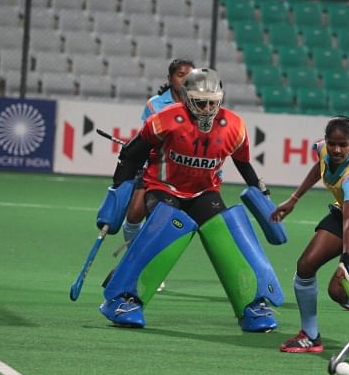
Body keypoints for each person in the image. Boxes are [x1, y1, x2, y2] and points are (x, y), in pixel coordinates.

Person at [95, 68, 283, 332]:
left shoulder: (235, 127)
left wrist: (260, 190)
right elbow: (132, 155)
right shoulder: (164, 120)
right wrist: (118, 191)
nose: (207, 109)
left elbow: (243, 163)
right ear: (186, 98)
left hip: (204, 192)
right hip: (163, 187)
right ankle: (124, 300)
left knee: (227, 230)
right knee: (167, 228)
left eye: (212, 103)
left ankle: (253, 304)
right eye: (200, 102)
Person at [271, 116, 349, 354]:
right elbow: (320, 166)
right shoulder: (324, 149)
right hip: (346, 216)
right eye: (333, 144)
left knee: (339, 292)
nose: (337, 150)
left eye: (344, 145)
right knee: (305, 265)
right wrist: (294, 198)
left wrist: (346, 262)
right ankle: (310, 336)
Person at [121, 58, 195, 249]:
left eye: (190, 76)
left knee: (166, 220)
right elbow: (146, 137)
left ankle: (151, 259)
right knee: (134, 214)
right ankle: (135, 256)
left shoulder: (201, 104)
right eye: (180, 75)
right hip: (155, 166)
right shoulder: (155, 105)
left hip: (187, 171)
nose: (185, 79)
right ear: (170, 78)